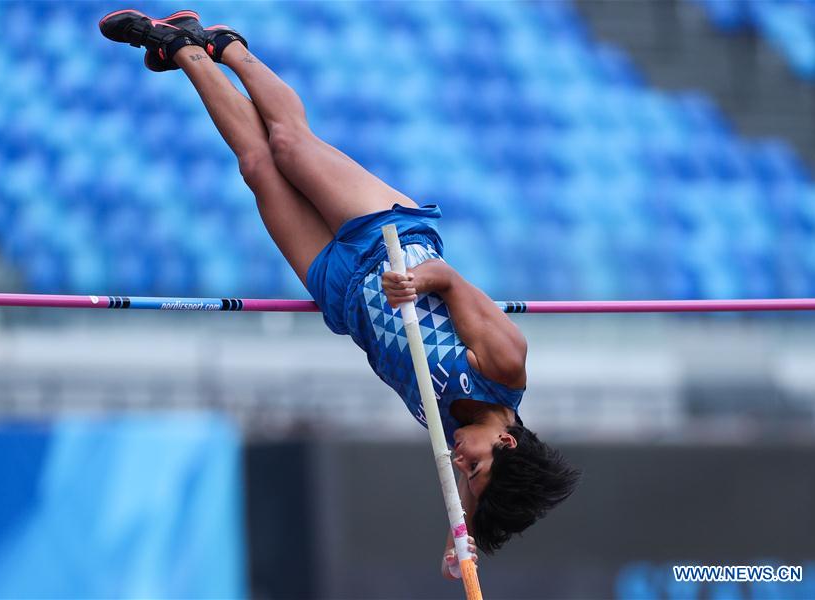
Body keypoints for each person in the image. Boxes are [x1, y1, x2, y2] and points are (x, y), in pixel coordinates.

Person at [99, 8, 580, 580]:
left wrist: (462, 544)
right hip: (386, 241)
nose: (459, 465)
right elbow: (451, 282)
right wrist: (414, 282)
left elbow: (474, 505)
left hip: (345, 297)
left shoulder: (467, 441)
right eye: (472, 468)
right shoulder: (504, 366)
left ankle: (180, 48)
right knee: (287, 145)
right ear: (506, 442)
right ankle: (228, 47)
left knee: (256, 167)